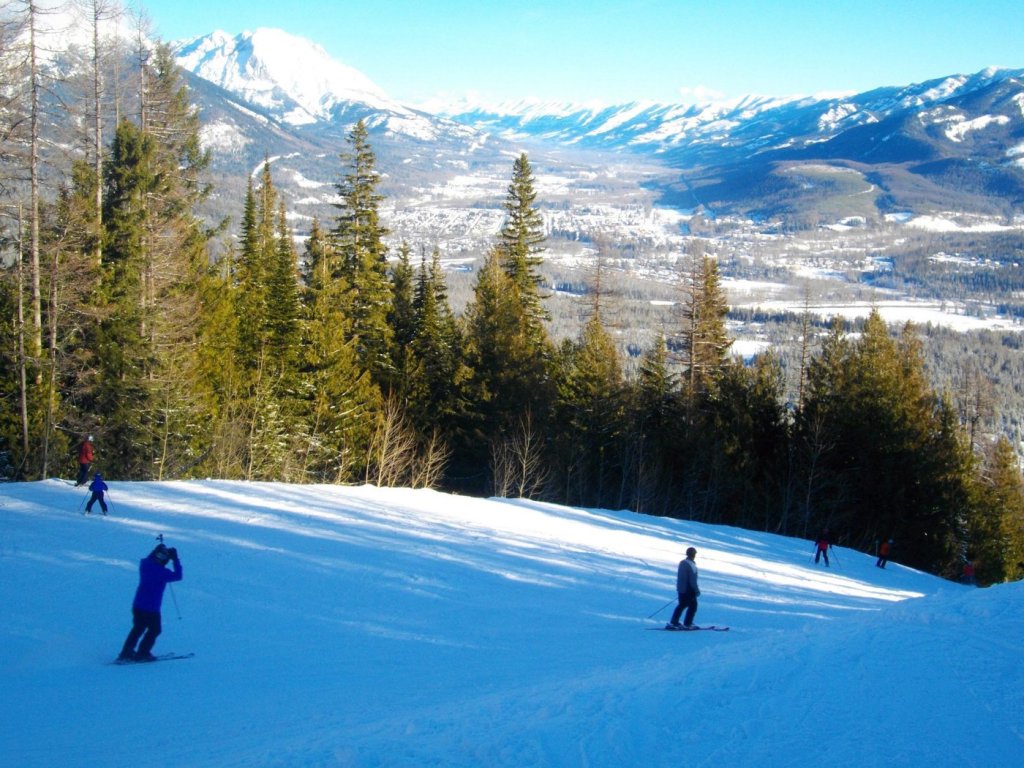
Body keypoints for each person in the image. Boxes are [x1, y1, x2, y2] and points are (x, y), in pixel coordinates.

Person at [117, 543, 183, 662]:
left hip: (138, 605)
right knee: (155, 629)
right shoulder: (162, 572)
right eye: (161, 556)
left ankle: (126, 652)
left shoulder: (145, 564)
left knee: (138, 628)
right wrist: (175, 559)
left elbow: (149, 559)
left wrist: (158, 551)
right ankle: (143, 653)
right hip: (151, 608)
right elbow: (178, 576)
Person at [666, 546, 700, 630]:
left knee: (682, 605)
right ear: (693, 555)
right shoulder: (691, 565)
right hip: (689, 590)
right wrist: (696, 590)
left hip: (681, 588)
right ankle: (688, 623)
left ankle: (674, 622)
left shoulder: (682, 563)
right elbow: (692, 580)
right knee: (693, 606)